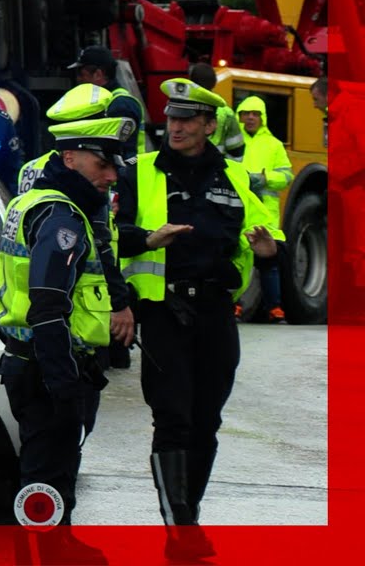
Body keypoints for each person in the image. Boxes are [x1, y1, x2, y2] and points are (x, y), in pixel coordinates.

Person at [114, 79, 283, 560]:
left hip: (215, 312)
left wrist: (270, 252)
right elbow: (110, 235)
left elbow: (264, 235)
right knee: (173, 419)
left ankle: (189, 514)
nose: (177, 127)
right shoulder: (138, 171)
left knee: (207, 421)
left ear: (210, 126)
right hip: (164, 310)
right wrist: (148, 239)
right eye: (171, 119)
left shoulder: (233, 176)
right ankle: (179, 528)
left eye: (188, 120)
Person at [0, 114, 136, 549]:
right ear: (69, 158)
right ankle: (48, 551)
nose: (111, 176)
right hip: (48, 365)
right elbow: (49, 306)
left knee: (47, 473)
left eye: (115, 166)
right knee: (46, 479)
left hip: (30, 360)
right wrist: (63, 381)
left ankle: (53, 547)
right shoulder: (62, 217)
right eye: (102, 165)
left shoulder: (35, 201)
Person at [19, 83, 136, 370]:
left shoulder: (34, 167)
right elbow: (99, 246)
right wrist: (119, 304)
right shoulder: (85, 173)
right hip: (73, 321)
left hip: (26, 327)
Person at [236, 94, 294, 324]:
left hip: (265, 215)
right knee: (240, 260)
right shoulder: (234, 143)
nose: (250, 118)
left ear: (263, 118)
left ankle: (275, 309)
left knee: (269, 262)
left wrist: (264, 178)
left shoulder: (274, 145)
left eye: (255, 114)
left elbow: (287, 176)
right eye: (245, 113)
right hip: (240, 212)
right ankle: (236, 306)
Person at [69, 45, 145, 161]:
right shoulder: (103, 101)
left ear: (98, 74)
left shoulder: (121, 104)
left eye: (81, 74)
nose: (79, 79)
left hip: (125, 175)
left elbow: (122, 154)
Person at [186, 64, 245, 159]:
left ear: (191, 82)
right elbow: (237, 152)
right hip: (215, 170)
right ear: (214, 83)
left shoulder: (180, 107)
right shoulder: (226, 112)